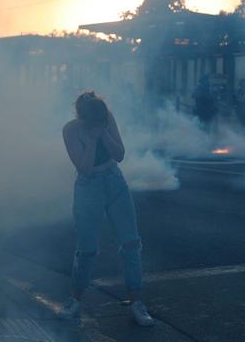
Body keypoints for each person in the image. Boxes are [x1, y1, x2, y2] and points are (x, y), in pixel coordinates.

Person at [58, 91, 155, 327]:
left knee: (131, 243)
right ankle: (75, 300)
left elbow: (119, 155)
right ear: (83, 119)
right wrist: (92, 139)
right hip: (88, 188)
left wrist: (103, 135)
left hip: (114, 180)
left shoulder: (107, 118)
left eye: (103, 121)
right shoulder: (70, 129)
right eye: (96, 122)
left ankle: (136, 302)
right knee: (87, 249)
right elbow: (85, 169)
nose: (101, 124)